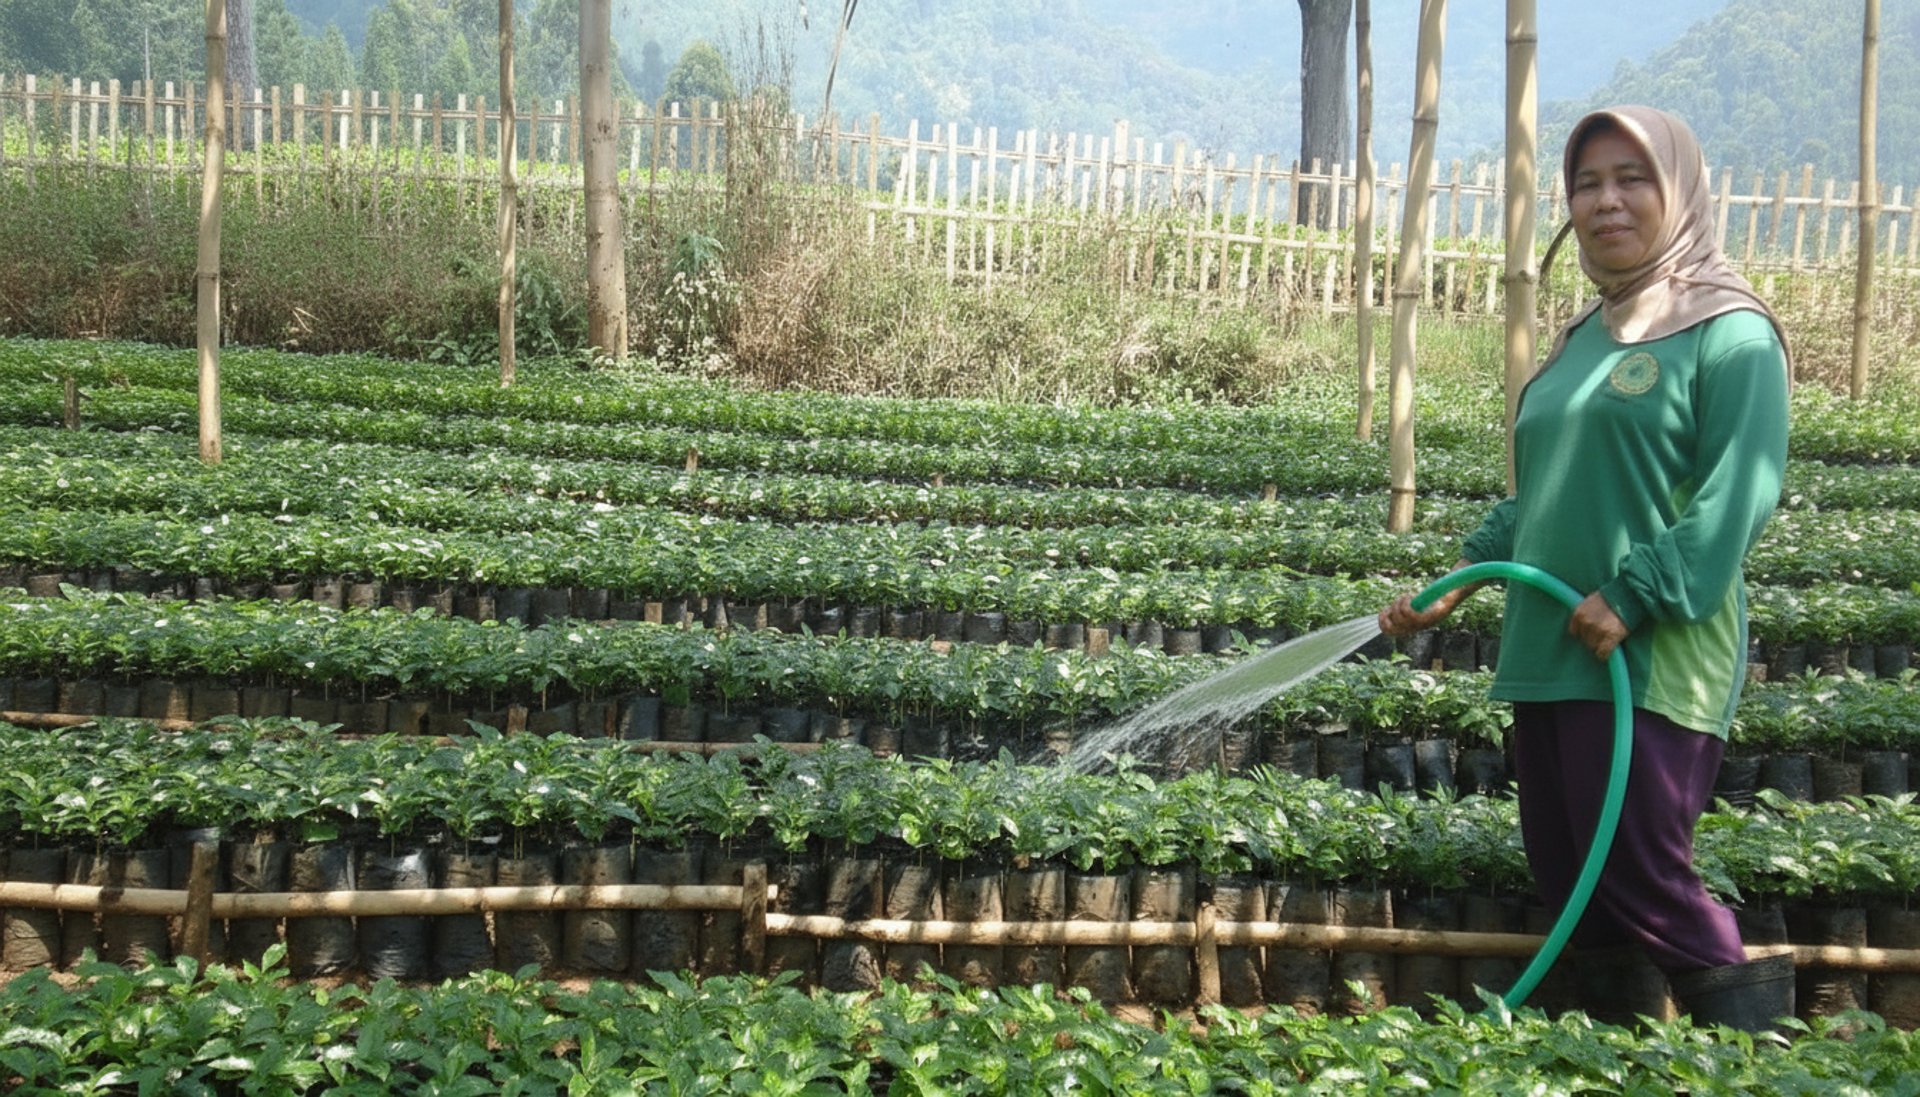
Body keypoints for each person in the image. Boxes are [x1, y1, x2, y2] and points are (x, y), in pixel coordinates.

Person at [1378, 105, 1793, 1032]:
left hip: (1648, 651)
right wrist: (1462, 575)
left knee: (1642, 871)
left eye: (1632, 179)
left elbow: (1739, 494)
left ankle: (1761, 1048)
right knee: (1571, 874)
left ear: (1679, 191)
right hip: (1552, 641)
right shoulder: (1583, 339)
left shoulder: (1729, 333)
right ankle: (1615, 1053)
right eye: (1589, 183)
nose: (1607, 201)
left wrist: (1636, 593)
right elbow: (1544, 495)